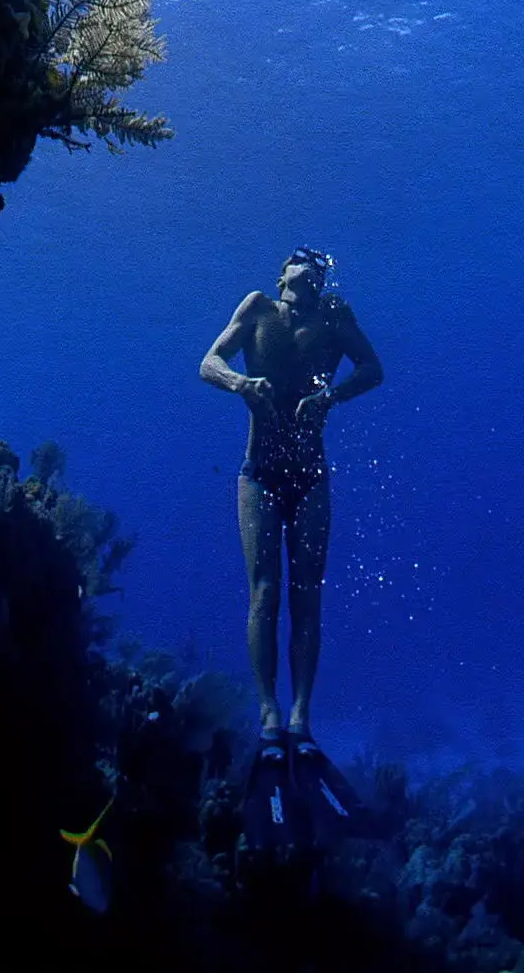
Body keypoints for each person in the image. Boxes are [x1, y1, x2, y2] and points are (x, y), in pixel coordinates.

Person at [199, 245, 383, 846]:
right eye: (296, 269)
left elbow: (373, 368)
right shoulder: (256, 309)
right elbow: (207, 361)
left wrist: (335, 395)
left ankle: (301, 716)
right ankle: (269, 716)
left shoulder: (334, 316)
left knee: (307, 595)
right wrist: (239, 382)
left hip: (311, 475)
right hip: (258, 471)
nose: (306, 275)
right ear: (280, 276)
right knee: (264, 590)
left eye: (315, 271)